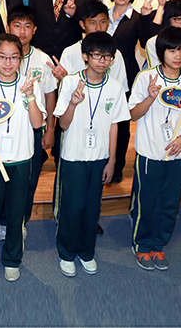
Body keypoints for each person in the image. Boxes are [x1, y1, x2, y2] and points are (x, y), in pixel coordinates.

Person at [53, 32, 130, 276]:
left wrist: (112, 160)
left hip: (100, 158)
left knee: (92, 208)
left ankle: (87, 252)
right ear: (85, 56)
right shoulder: (70, 82)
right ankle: (66, 253)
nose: (102, 61)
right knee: (72, 207)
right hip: (73, 157)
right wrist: (73, 103)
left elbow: (115, 125)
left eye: (108, 57)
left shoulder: (115, 87)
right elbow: (63, 124)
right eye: (97, 55)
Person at [128, 27, 181, 271]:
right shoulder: (146, 77)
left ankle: (158, 244)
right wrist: (150, 97)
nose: (178, 56)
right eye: (172, 50)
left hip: (179, 152)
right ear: (161, 52)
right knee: (147, 201)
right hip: (150, 151)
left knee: (170, 203)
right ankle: (141, 244)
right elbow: (133, 114)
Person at [0, 34, 44, 283]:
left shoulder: (29, 84)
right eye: (2, 57)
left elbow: (37, 123)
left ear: (21, 59)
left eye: (14, 57)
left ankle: (13, 259)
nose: (8, 63)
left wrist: (31, 96)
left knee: (16, 215)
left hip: (21, 159)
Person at [6, 6, 57, 226]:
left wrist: (51, 129)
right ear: (8, 27)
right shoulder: (0, 56)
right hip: (5, 128)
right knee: (4, 177)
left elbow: (50, 95)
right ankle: (2, 221)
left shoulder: (43, 59)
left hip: (34, 128)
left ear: (35, 30)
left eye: (27, 26)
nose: (22, 31)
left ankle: (21, 220)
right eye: (17, 25)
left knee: (29, 178)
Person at [105, 0, 149, 182]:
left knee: (121, 123)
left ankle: (117, 168)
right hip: (98, 74)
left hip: (126, 75)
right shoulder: (102, 15)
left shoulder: (138, 18)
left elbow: (147, 43)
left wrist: (148, 19)